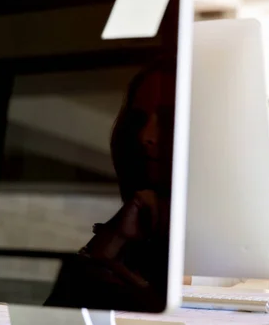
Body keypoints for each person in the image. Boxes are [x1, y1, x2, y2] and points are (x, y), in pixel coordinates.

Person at [45, 64, 177, 312]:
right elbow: (53, 320)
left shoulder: (217, 247)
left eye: (168, 119)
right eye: (138, 120)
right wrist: (111, 241)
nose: (145, 136)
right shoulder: (136, 224)